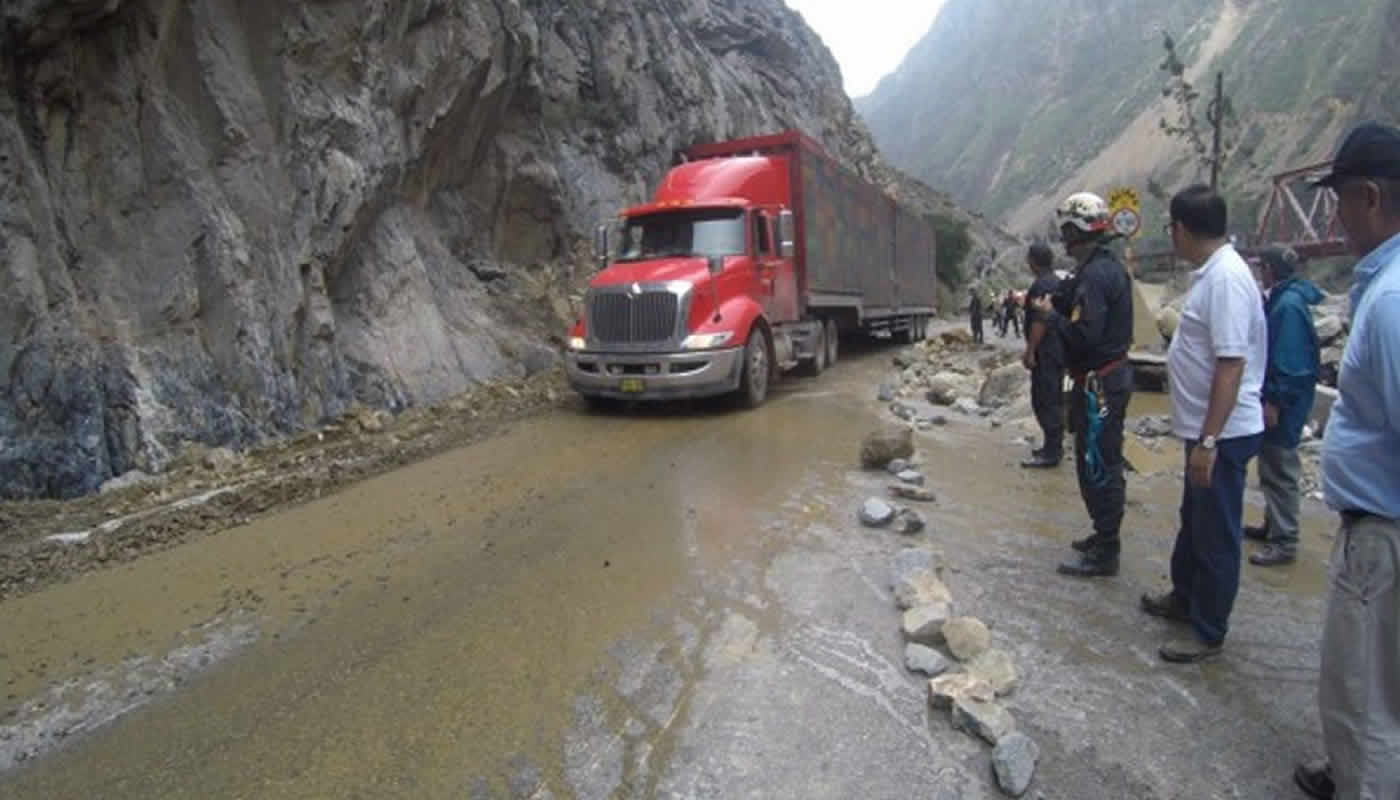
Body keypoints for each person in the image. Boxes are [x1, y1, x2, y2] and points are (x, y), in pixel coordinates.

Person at [1293, 121, 1400, 800]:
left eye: (1336, 199)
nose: (1332, 215)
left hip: (1383, 533)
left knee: (1364, 706)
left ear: (1367, 196)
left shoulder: (1390, 301)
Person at [1140, 185, 1267, 664]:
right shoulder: (1212, 274)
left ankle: (1208, 629)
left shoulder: (1227, 279)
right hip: (1206, 430)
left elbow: (1230, 366)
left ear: (1181, 229)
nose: (1170, 237)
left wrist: (1209, 441)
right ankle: (1185, 597)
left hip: (1224, 434)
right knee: (1195, 520)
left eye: (1170, 229)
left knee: (1215, 531)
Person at [1030, 192, 1134, 577]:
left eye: (1067, 230)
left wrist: (1052, 319)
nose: (1064, 238)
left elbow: (1086, 333)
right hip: (1100, 380)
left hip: (1101, 383)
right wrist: (1057, 303)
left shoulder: (1096, 274)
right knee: (1095, 459)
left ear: (1077, 230)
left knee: (1098, 462)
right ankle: (1103, 533)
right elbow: (1072, 301)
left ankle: (1107, 548)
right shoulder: (1097, 269)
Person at [1245, 245, 1322, 567]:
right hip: (1282, 398)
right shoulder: (1284, 299)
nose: (1259, 271)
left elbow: (1289, 362)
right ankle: (1273, 525)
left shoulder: (1287, 306)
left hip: (1284, 402)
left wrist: (1274, 400)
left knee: (1280, 468)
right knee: (1271, 465)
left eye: (1262, 266)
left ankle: (1284, 540)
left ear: (1272, 269)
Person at [1022, 244, 1065, 468]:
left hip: (1046, 352)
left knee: (1044, 400)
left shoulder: (1041, 285)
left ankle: (1052, 452)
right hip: (1057, 351)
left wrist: (1030, 351)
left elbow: (1040, 320)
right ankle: (1052, 446)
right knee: (1053, 398)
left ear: (1033, 261)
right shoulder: (1056, 282)